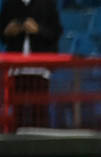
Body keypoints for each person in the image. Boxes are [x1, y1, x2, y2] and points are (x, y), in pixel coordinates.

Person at [0, 0, 62, 128]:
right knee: (18, 110)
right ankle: (15, 142)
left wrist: (38, 29)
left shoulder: (47, 3)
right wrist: (8, 31)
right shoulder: (9, 4)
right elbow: (3, 35)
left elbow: (55, 33)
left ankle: (41, 142)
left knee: (39, 110)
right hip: (16, 68)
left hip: (39, 67)